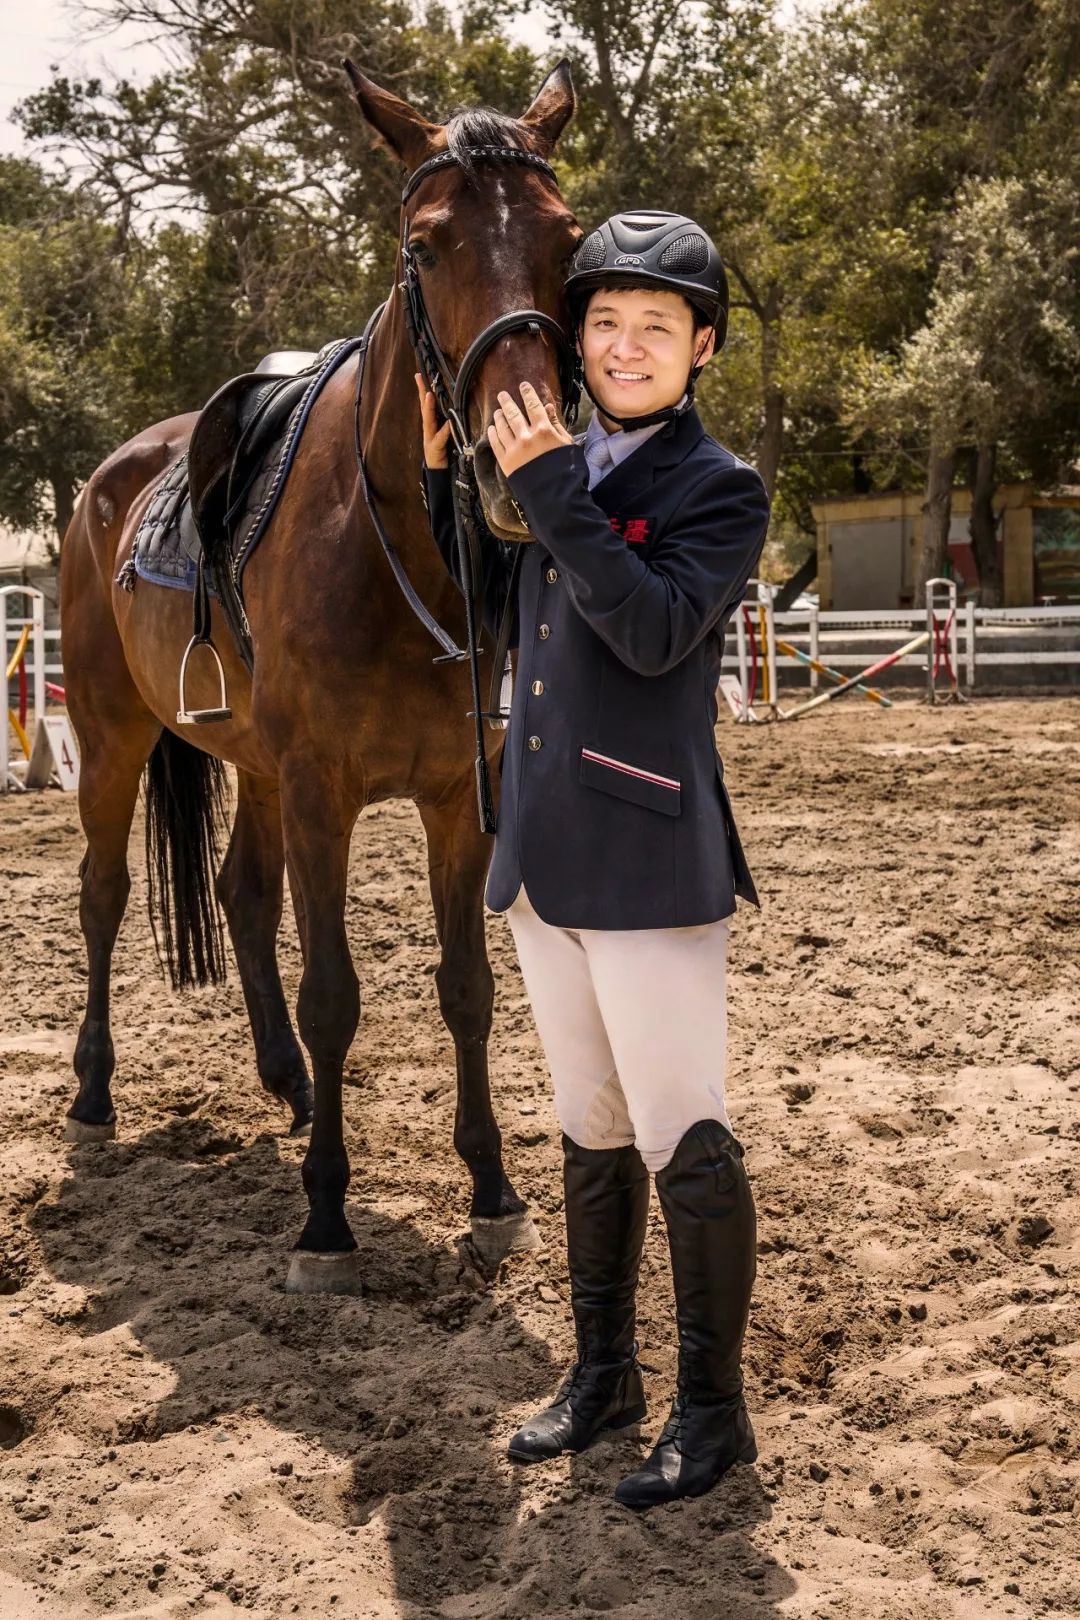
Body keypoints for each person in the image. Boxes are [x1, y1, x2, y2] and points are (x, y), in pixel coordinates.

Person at [415, 211, 770, 1508]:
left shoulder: (717, 489)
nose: (623, 346)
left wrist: (548, 484)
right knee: (590, 1126)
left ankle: (715, 1413)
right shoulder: (544, 469)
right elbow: (496, 608)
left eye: (655, 327)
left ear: (702, 348)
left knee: (687, 1138)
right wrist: (451, 477)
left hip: (650, 865)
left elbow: (656, 630)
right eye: (603, 322)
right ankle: (606, 1373)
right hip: (544, 856)